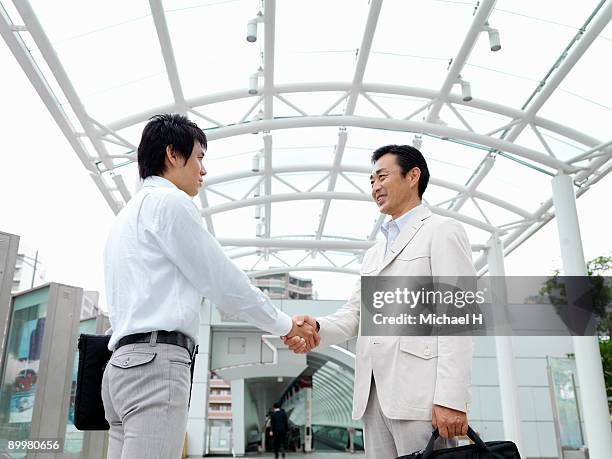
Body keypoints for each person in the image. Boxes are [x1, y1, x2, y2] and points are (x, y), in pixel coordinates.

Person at [101, 114, 319, 459]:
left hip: (119, 369)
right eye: (199, 158)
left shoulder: (125, 218)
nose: (203, 170)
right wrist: (286, 324)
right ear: (173, 155)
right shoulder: (170, 203)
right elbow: (223, 282)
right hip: (155, 367)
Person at [284, 145, 475, 458]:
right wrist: (316, 326)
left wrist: (451, 399)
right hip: (374, 397)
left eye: (382, 177)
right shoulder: (375, 253)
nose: (375, 187)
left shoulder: (441, 231)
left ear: (413, 176)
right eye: (371, 180)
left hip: (420, 398)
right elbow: (358, 314)